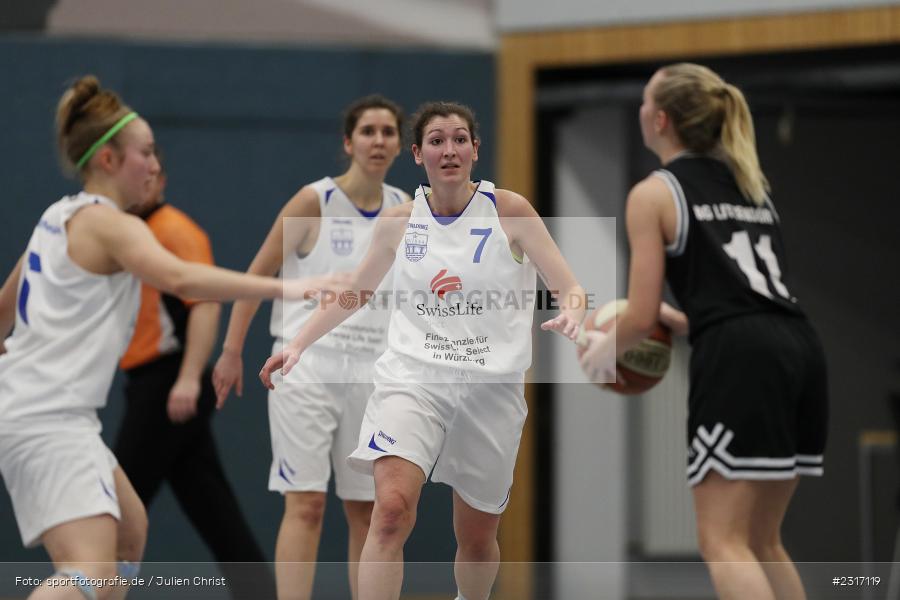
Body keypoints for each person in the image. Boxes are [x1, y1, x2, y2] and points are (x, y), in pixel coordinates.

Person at [0, 75, 334, 600]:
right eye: (146, 153)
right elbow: (183, 280)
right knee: (89, 573)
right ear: (108, 160)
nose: (156, 166)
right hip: (46, 422)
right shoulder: (113, 226)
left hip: (48, 416)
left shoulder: (54, 217)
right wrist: (295, 285)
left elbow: (3, 311)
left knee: (131, 533)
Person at [259, 101, 586, 600]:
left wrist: (573, 311)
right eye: (436, 140)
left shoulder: (510, 211)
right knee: (389, 511)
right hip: (412, 379)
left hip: (489, 389)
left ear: (476, 149)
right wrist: (299, 342)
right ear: (418, 154)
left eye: (459, 139)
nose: (449, 149)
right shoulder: (398, 221)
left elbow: (570, 286)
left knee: (476, 539)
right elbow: (358, 291)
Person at [578, 63, 828, 600]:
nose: (641, 109)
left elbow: (640, 317)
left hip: (741, 361)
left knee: (723, 541)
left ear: (660, 119)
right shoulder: (751, 184)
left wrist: (603, 349)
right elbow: (750, 297)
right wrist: (687, 320)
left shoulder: (653, 193)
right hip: (799, 349)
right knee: (763, 540)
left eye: (645, 101)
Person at [212, 95, 410, 600]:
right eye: (368, 131)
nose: (379, 140)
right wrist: (232, 350)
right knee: (306, 504)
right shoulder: (313, 201)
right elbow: (256, 275)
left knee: (368, 509)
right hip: (306, 365)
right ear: (348, 141)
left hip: (374, 371)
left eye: (389, 131)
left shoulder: (405, 209)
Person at [113, 149, 276, 600]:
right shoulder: (133, 233)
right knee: (215, 513)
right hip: (151, 384)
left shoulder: (175, 231)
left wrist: (187, 379)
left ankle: (91, 589)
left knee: (116, 513)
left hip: (168, 386)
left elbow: (205, 303)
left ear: (161, 180)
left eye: (153, 173)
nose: (145, 180)